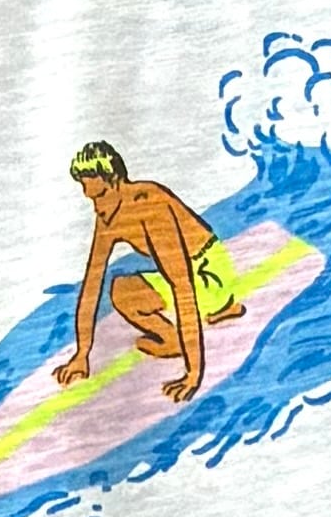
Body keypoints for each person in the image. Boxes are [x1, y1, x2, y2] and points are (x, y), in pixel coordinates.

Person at [56, 142, 234, 407]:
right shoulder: (107, 215)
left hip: (211, 273)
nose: (96, 207)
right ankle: (188, 330)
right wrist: (82, 353)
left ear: (116, 182)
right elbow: (92, 283)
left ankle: (216, 308)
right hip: (197, 272)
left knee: (139, 291)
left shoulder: (149, 206)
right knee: (120, 289)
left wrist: (194, 373)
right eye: (91, 198)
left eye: (101, 195)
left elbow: (182, 286)